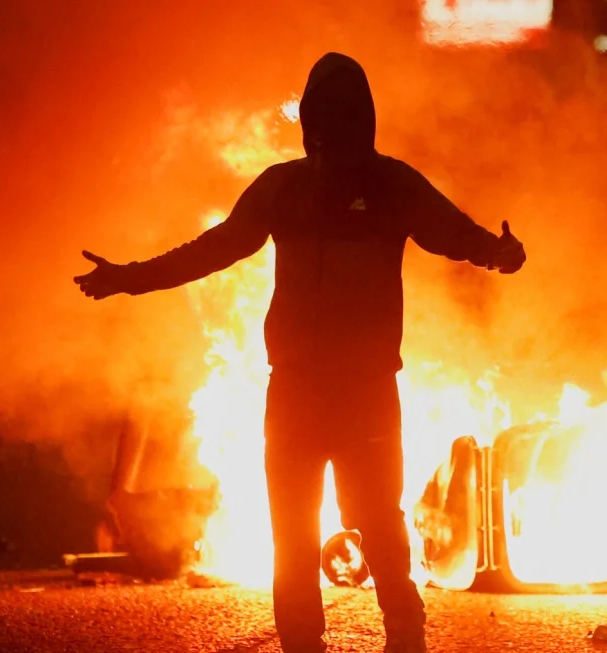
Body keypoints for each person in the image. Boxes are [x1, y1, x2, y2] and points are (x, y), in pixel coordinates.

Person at [74, 52, 526, 653]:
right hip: (310, 391)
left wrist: (498, 252)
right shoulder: (308, 186)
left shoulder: (373, 184)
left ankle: (395, 639)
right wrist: (128, 277)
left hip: (341, 389)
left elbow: (452, 233)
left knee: (349, 527)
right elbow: (213, 249)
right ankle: (378, 639)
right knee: (326, 529)